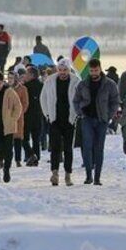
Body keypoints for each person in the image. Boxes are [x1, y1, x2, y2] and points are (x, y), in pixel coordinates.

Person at [73, 59, 119, 185]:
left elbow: (115, 101)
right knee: (87, 147)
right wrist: (80, 112)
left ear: (100, 69)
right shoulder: (82, 84)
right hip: (87, 119)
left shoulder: (110, 84)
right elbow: (75, 100)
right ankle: (89, 175)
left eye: (96, 70)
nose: (94, 73)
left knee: (99, 148)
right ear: (89, 70)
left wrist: (109, 115)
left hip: (102, 120)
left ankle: (97, 177)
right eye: (92, 70)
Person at [40, 58, 79, 186]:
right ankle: (54, 173)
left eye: (65, 70)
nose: (63, 72)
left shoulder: (75, 81)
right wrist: (47, 114)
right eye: (60, 70)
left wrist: (76, 115)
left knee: (68, 148)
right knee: (55, 148)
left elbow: (79, 99)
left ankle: (68, 174)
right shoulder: (50, 81)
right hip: (54, 119)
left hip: (69, 119)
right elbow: (43, 98)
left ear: (69, 70)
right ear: (57, 69)